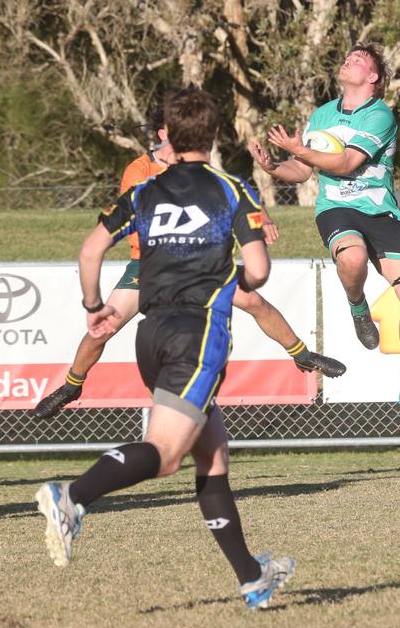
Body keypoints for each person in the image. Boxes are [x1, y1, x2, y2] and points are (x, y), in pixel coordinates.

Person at [36, 87, 295, 610]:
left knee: (213, 454)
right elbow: (260, 270)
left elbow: (90, 250)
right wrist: (227, 271)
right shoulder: (232, 189)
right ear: (216, 134)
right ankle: (72, 497)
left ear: (168, 137)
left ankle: (251, 577)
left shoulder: (145, 192)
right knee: (167, 455)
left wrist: (93, 304)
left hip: (150, 335)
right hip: (197, 335)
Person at [33, 115, 345, 421]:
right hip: (151, 265)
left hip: (199, 261)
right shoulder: (140, 170)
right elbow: (145, 213)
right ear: (163, 133)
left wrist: (262, 217)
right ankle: (72, 386)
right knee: (103, 328)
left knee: (253, 300)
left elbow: (230, 189)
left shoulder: (196, 164)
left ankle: (302, 355)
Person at [253, 43, 400, 425]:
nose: (349, 60)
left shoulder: (379, 115)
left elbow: (345, 161)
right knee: (352, 257)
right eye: (348, 57)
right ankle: (358, 305)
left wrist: (299, 153)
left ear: (373, 77)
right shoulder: (322, 114)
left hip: (380, 211)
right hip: (337, 208)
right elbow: (303, 172)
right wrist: (275, 166)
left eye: (359, 59)